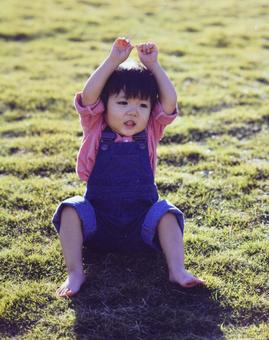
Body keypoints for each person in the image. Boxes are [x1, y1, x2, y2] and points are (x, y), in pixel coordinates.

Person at [52, 37, 204, 298]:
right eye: (122, 103)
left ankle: (177, 270)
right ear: (105, 105)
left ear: (150, 110)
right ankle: (75, 273)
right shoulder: (96, 126)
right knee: (69, 209)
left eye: (142, 105)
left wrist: (154, 66)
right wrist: (113, 60)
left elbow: (168, 103)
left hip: (141, 225)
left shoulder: (152, 130)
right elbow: (88, 96)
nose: (132, 112)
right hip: (98, 223)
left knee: (168, 213)